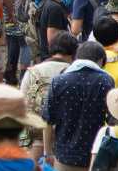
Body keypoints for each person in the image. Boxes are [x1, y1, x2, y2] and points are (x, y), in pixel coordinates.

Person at [42, 41, 115, 171]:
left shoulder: (59, 81)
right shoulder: (106, 82)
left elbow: (47, 120)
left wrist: (48, 152)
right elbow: (111, 121)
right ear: (101, 60)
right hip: (91, 158)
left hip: (63, 156)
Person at [21, 32, 79, 161]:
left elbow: (22, 99)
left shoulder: (33, 71)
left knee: (37, 147)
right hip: (67, 131)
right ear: (74, 52)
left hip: (37, 126)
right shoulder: (74, 72)